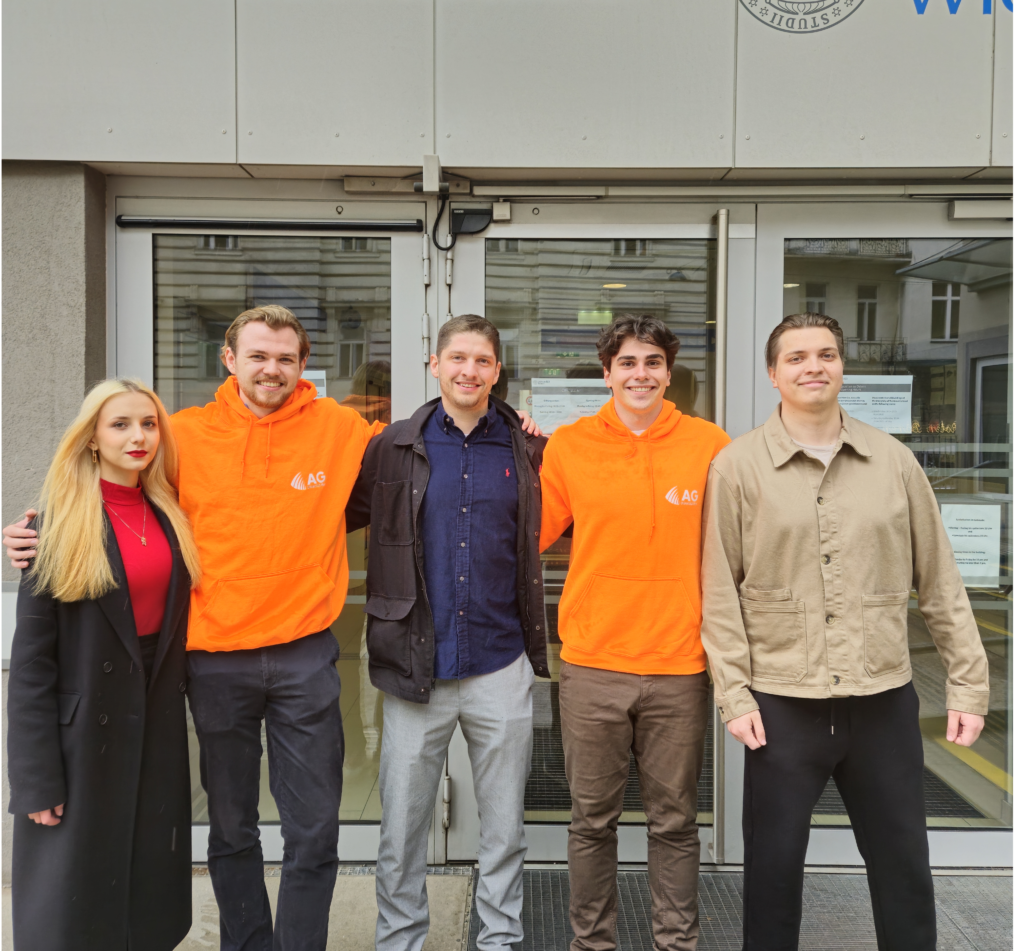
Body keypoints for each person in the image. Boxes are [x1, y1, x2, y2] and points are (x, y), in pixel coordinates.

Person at [3, 306, 541, 951]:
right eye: (258, 356)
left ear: (303, 364)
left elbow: (431, 453)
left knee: (314, 831)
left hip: (304, 657)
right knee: (232, 830)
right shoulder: (181, 435)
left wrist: (513, 424)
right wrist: (38, 526)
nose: (272, 369)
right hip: (214, 660)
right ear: (229, 360)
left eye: (286, 358)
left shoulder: (341, 429)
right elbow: (117, 479)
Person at [700, 312, 990, 951]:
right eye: (797, 357)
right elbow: (719, 592)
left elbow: (940, 581)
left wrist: (969, 686)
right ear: (773, 374)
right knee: (773, 872)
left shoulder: (894, 461)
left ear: (841, 366)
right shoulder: (737, 467)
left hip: (882, 699)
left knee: (903, 865)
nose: (814, 367)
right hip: (781, 702)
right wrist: (735, 695)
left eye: (826, 354)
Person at [344, 315, 548, 951]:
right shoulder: (391, 446)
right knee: (402, 830)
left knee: (504, 828)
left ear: (497, 371)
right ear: (434, 364)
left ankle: (500, 939)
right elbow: (325, 518)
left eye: (482, 360)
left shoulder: (527, 448)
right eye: (457, 357)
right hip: (415, 665)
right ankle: (400, 940)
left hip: (500, 660)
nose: (469, 370)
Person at [539, 313, 730, 951]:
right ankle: (592, 944)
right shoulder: (570, 445)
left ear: (669, 374)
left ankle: (677, 943)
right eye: (627, 363)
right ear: (607, 373)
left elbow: (737, 544)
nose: (640, 374)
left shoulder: (709, 444)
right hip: (593, 662)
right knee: (591, 822)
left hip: (680, 663)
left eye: (653, 363)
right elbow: (530, 534)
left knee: (674, 822)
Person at [6, 378, 202, 951]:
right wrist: (35, 778)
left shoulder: (170, 513)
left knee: (147, 891)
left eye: (148, 423)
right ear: (91, 437)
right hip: (82, 734)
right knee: (73, 899)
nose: (138, 436)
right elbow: (31, 666)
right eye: (120, 425)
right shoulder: (54, 526)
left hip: (154, 720)